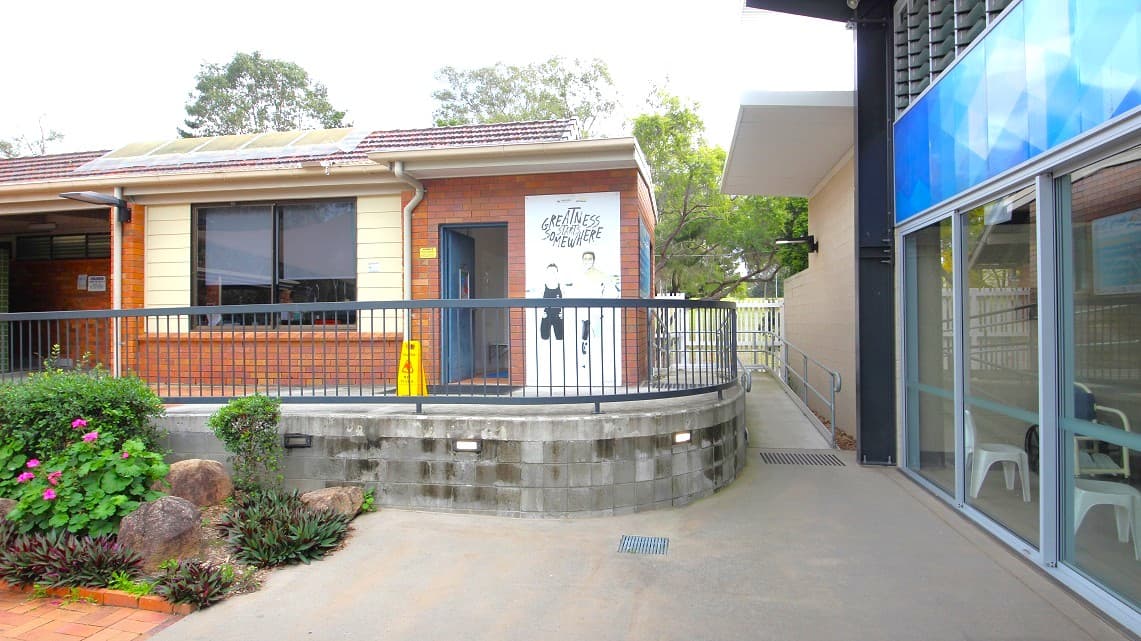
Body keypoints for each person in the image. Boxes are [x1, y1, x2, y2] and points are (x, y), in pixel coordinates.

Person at [540, 264, 564, 341]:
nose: (552, 274)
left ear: (557, 273)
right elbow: (538, 303)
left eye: (554, 271)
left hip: (558, 316)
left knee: (560, 338)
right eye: (550, 272)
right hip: (546, 316)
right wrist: (541, 313)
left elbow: (566, 303)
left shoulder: (562, 287)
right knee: (544, 337)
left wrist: (563, 313)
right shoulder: (542, 287)